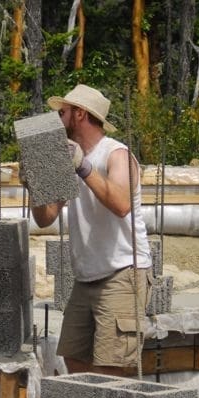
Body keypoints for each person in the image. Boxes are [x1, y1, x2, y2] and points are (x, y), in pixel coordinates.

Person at [32, 84, 152, 376]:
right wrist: (33, 185)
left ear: (80, 114)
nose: (57, 119)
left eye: (63, 112)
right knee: (74, 360)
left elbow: (122, 204)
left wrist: (83, 168)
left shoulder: (116, 154)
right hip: (86, 278)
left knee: (111, 369)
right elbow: (45, 217)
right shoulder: (68, 158)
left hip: (122, 273)